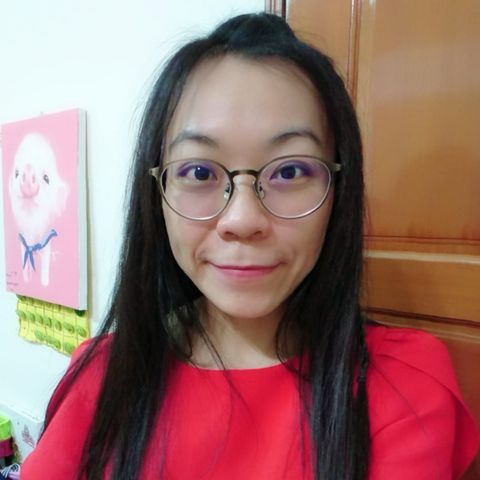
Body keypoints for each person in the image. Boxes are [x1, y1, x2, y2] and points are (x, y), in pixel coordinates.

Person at [21, 12, 479, 480]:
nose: (243, 220)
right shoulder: (102, 375)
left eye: (290, 171)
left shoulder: (401, 382)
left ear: (338, 192)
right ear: (156, 193)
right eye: (199, 172)